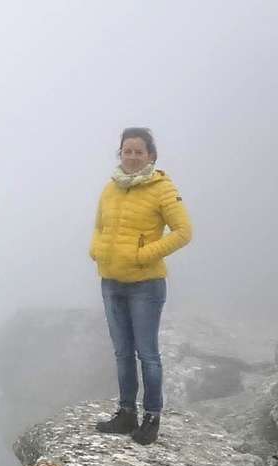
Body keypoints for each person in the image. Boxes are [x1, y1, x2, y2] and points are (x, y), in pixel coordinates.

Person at [89, 126, 192, 445]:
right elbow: (99, 226)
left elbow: (183, 231)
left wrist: (143, 254)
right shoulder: (111, 188)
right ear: (120, 153)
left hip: (145, 285)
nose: (131, 156)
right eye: (126, 151)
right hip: (111, 281)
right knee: (122, 353)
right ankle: (126, 414)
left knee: (147, 354)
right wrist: (96, 250)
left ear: (150, 156)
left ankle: (151, 417)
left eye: (138, 151)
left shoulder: (162, 188)